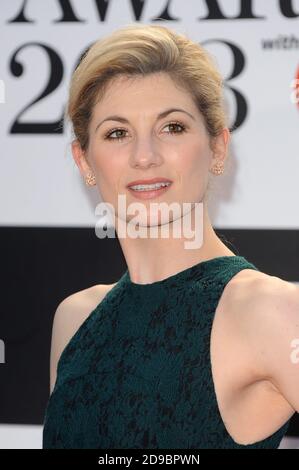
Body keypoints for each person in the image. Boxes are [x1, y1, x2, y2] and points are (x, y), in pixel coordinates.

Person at [42, 24, 299, 449]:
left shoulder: (271, 311)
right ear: (84, 160)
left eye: (173, 127)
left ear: (218, 147)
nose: (145, 156)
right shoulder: (74, 320)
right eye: (117, 133)